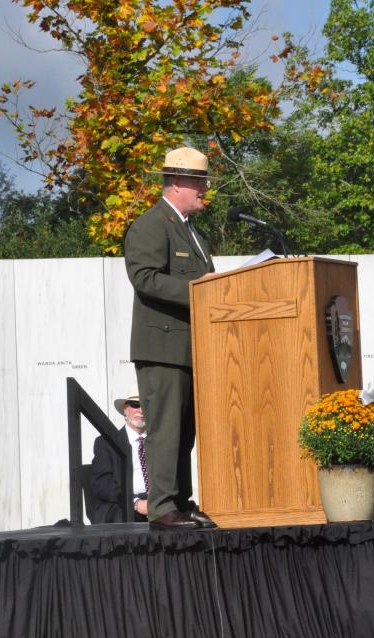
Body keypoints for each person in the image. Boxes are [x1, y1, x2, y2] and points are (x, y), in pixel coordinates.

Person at [124, 147, 216, 530]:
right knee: (166, 430)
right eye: (198, 181)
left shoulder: (193, 232)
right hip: (162, 348)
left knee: (185, 431)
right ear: (176, 182)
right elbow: (143, 277)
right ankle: (162, 508)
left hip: (191, 348)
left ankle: (181, 500)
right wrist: (199, 286)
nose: (204, 189)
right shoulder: (152, 224)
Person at [88, 389, 149, 523]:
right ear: (125, 409)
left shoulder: (160, 443)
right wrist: (135, 502)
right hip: (120, 503)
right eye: (135, 404)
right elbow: (101, 484)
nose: (141, 410)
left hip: (156, 503)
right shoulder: (106, 443)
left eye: (146, 404)